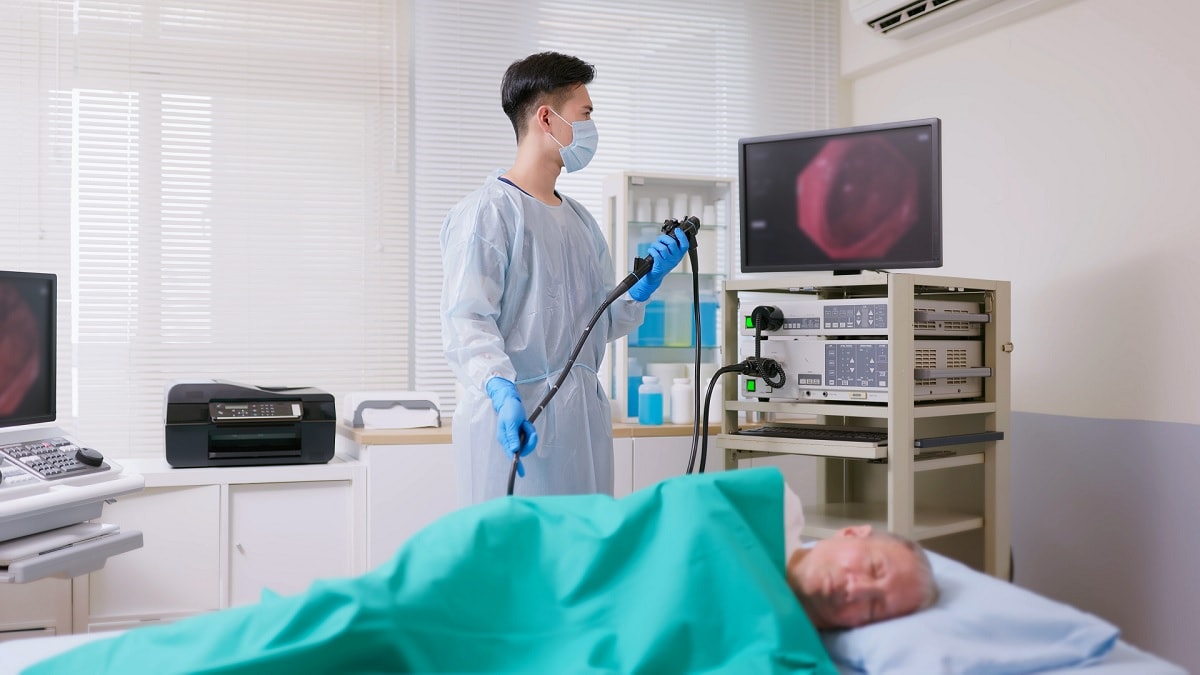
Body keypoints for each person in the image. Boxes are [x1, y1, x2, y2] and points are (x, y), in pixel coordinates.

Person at [23, 468, 936, 675]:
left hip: (543, 639)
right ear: (852, 529)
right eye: (876, 567)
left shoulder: (783, 650)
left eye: (876, 608)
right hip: (505, 564)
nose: (858, 591)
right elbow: (646, 521)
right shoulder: (743, 510)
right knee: (337, 624)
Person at [440, 51, 690, 504]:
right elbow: (467, 321)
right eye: (585, 114)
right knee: (516, 561)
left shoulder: (579, 221)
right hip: (516, 421)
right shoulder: (488, 213)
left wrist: (643, 288)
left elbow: (595, 321)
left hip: (581, 426)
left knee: (583, 557)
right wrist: (500, 390)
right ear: (546, 118)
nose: (591, 128)